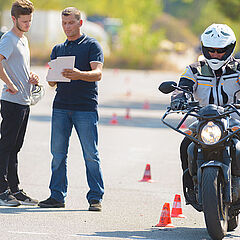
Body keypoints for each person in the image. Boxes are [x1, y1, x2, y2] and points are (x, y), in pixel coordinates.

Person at [38, 7, 104, 211]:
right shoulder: (58, 49)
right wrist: (51, 78)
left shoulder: (92, 45)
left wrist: (79, 74)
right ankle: (57, 196)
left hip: (85, 107)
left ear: (80, 23)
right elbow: (52, 82)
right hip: (60, 107)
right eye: (64, 24)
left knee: (90, 154)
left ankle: (95, 198)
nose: (67, 27)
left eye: (71, 23)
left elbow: (98, 73)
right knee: (58, 154)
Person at [171, 23, 240, 198]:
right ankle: (191, 188)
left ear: (230, 48)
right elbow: (182, 88)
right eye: (211, 50)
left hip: (235, 120)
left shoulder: (238, 69)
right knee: (186, 145)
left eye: (221, 50)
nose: (215, 54)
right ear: (204, 48)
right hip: (204, 120)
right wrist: (178, 99)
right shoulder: (195, 69)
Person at [0, 0, 39, 206]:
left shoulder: (23, 40)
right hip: (11, 100)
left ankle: (14, 188)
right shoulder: (8, 39)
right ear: (14, 19)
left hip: (24, 100)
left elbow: (16, 66)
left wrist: (29, 77)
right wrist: (10, 83)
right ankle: (2, 190)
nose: (27, 24)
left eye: (30, 21)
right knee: (6, 145)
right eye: (24, 21)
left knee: (16, 146)